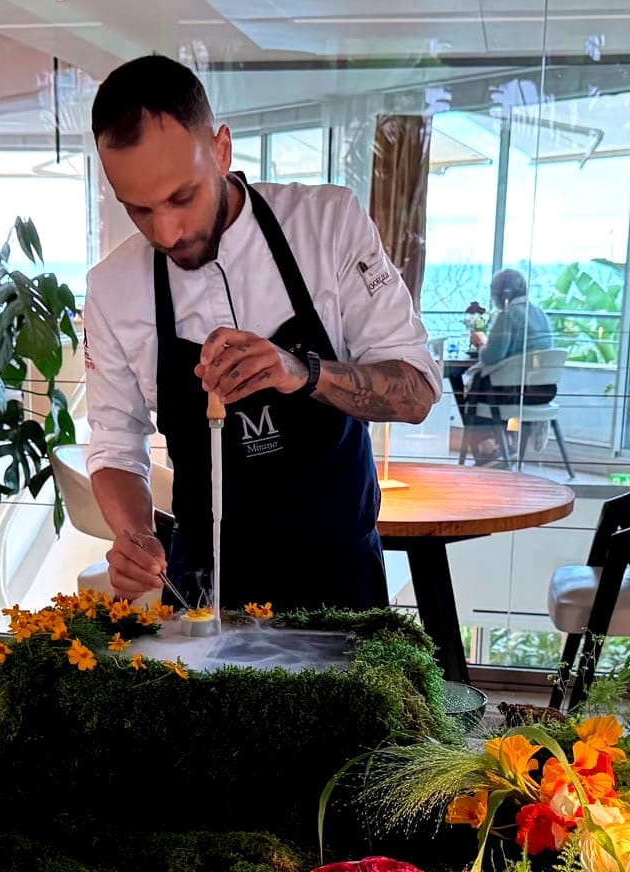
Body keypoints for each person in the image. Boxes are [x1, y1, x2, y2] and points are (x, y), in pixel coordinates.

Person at [81, 55, 439, 611]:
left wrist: (304, 371)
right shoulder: (111, 288)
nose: (168, 232)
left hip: (341, 584)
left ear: (221, 150)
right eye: (139, 210)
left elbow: (416, 392)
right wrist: (133, 532)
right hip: (203, 594)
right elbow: (114, 447)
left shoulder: (328, 224)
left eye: (182, 197)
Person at [448, 268, 554, 464]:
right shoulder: (541, 315)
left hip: (512, 394)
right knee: (482, 386)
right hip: (540, 391)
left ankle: (488, 450)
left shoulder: (508, 316)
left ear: (501, 293)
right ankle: (506, 448)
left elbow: (491, 357)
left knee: (476, 391)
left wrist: (481, 342)